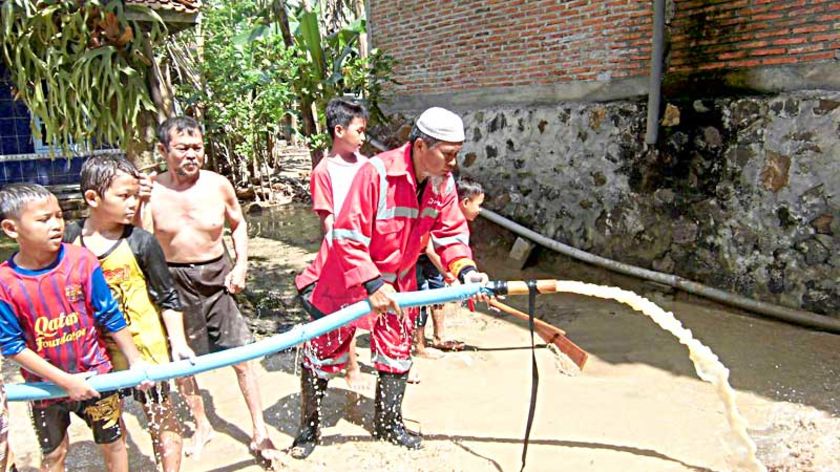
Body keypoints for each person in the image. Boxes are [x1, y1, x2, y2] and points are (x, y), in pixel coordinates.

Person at [290, 107, 490, 459]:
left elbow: (450, 233)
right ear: (419, 146)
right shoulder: (375, 173)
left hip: (400, 280)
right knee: (322, 355)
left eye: (456, 155)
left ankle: (388, 424)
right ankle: (308, 429)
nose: (453, 164)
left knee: (397, 353)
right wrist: (371, 284)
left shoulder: (442, 183)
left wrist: (466, 271)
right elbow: (347, 235)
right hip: (348, 278)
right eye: (448, 154)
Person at [138, 116, 279, 460]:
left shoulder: (219, 185)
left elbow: (238, 223)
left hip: (217, 278)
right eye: (183, 148)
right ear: (163, 150)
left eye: (197, 148)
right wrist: (140, 201)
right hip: (173, 282)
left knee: (242, 356)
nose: (192, 155)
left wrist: (241, 263)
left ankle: (259, 430)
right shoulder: (151, 191)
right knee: (185, 359)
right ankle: (202, 424)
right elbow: (142, 242)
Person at [0, 183, 151, 472]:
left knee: (114, 443)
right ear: (11, 228)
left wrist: (135, 361)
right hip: (44, 388)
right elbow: (12, 346)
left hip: (96, 376)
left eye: (59, 216)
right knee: (54, 454)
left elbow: (110, 314)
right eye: (43, 219)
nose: (56, 225)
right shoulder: (5, 283)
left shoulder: (81, 261)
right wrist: (65, 383)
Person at [64, 154, 195, 472]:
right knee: (110, 424)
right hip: (97, 352)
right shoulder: (70, 240)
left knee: (161, 415)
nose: (133, 203)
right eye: (124, 196)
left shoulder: (141, 242)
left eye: (136, 195)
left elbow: (167, 297)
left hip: (146, 347)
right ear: (92, 198)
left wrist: (177, 343)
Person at [297, 97, 369, 390]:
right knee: (343, 310)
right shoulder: (324, 171)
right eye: (359, 131)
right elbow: (329, 223)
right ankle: (350, 368)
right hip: (341, 251)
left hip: (366, 248)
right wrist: (347, 253)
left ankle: (382, 359)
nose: (363, 138)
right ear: (339, 131)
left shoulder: (368, 167)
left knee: (365, 307)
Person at [410, 177, 485, 379]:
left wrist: (460, 273)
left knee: (439, 294)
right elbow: (431, 248)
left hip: (431, 255)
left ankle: (439, 337)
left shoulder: (456, 221)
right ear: (465, 202)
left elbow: (451, 247)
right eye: (479, 205)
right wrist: (448, 273)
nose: (480, 210)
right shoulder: (442, 210)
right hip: (415, 254)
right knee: (421, 298)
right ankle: (419, 345)